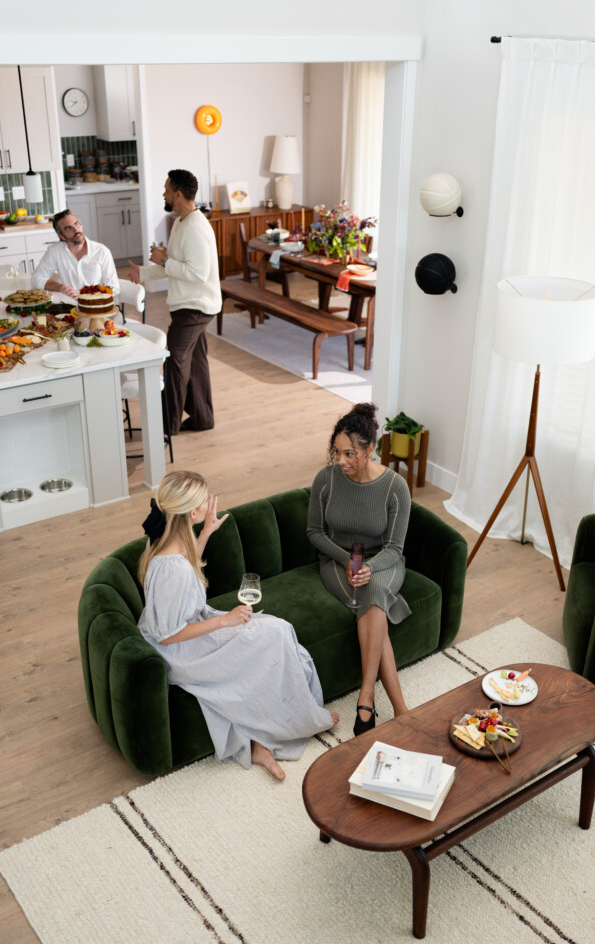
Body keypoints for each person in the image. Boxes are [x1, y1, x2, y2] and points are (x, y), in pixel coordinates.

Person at [137, 470, 338, 781]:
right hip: (182, 652)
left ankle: (264, 738)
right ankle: (291, 723)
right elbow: (167, 636)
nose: (208, 504)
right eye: (204, 501)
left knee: (277, 629)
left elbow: (185, 573)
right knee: (273, 635)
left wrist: (205, 533)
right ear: (191, 511)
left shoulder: (172, 546)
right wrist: (224, 621)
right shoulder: (170, 566)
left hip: (190, 633)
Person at [307, 403, 411, 736]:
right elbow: (314, 533)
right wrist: (346, 560)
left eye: (350, 453)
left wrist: (369, 566)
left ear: (370, 449)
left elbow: (395, 548)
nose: (341, 461)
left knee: (375, 588)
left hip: (385, 561)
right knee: (373, 595)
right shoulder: (327, 479)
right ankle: (401, 711)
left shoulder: (396, 487)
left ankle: (366, 695)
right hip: (338, 561)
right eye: (337, 452)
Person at [127, 169, 221, 435]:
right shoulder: (181, 222)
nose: (163, 194)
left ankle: (166, 427)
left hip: (196, 307)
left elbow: (197, 274)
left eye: (167, 189)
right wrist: (143, 273)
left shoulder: (195, 227)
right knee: (195, 362)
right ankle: (202, 418)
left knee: (174, 360)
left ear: (178, 194)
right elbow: (175, 267)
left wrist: (164, 260)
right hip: (188, 304)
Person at [30, 208, 119, 300]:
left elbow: (114, 288)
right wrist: (61, 287)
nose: (76, 230)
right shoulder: (55, 251)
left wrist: (85, 295)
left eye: (76, 224)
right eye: (68, 228)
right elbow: (36, 279)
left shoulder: (102, 251)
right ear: (62, 236)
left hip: (98, 307)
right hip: (70, 306)